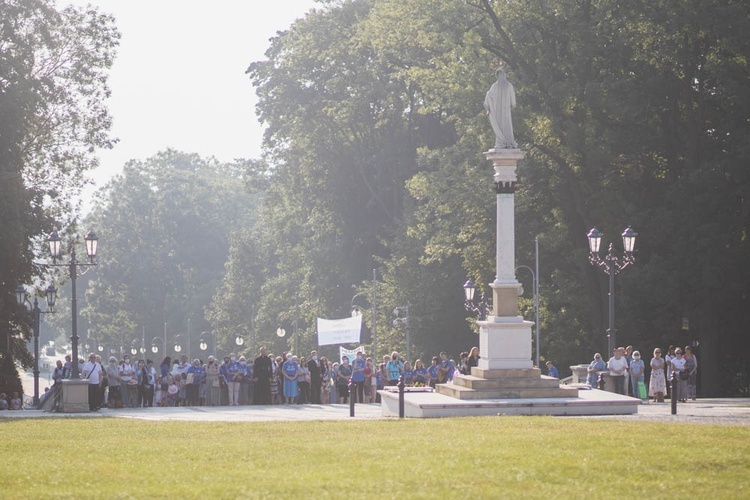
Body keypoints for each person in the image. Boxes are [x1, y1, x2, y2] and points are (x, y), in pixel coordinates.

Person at [484, 68, 518, 149]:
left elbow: (489, 96)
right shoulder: (508, 85)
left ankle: (503, 142)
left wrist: (488, 107)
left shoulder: (494, 86)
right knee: (506, 126)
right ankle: (508, 141)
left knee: (499, 126)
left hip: (498, 112)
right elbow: (513, 102)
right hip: (505, 111)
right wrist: (512, 105)